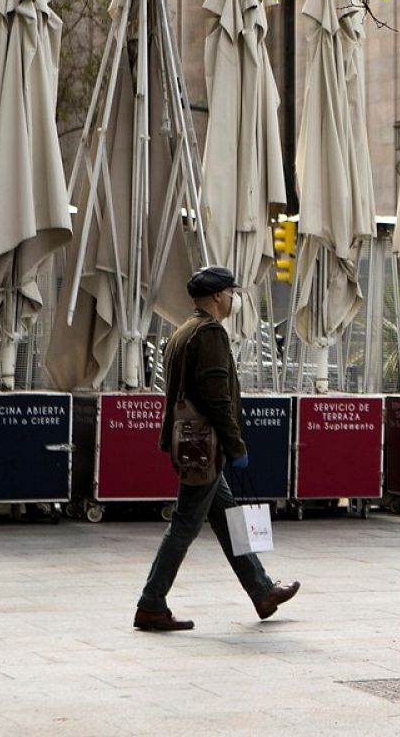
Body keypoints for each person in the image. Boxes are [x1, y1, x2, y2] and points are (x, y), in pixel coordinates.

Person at [133, 265, 300, 631]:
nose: (234, 298)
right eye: (230, 292)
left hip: (191, 444)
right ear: (216, 297)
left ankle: (262, 591)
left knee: (227, 519)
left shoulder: (183, 332)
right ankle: (151, 603)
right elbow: (217, 398)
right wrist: (235, 445)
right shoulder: (209, 334)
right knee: (184, 524)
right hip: (204, 447)